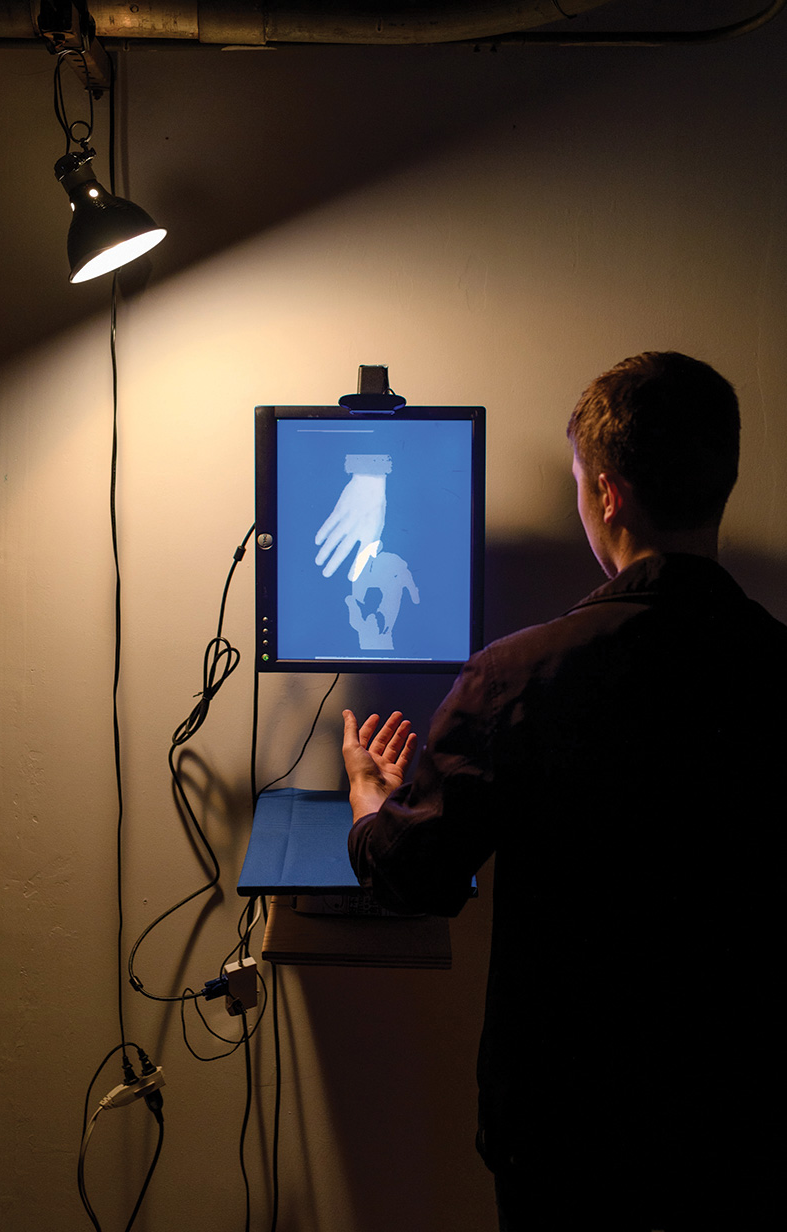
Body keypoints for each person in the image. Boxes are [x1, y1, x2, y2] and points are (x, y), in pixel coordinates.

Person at [341, 352, 786, 1231]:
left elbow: (417, 878)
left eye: (583, 482)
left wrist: (368, 801)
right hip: (745, 1123)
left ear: (609, 495)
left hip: (566, 1132)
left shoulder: (516, 676)